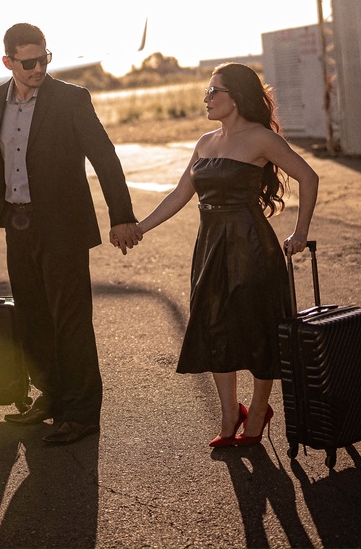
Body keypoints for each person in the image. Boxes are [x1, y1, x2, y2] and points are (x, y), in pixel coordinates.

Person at [0, 23, 141, 445]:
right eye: (29, 62)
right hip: (17, 226)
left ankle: (82, 413)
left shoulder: (71, 98)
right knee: (33, 319)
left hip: (63, 226)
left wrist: (122, 216)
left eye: (44, 58)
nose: (39, 68)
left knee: (71, 322)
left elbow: (104, 156)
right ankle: (51, 397)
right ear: (8, 62)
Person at [134, 62, 318, 448]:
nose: (206, 98)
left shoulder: (261, 139)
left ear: (235, 97)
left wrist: (300, 232)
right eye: (207, 91)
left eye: (213, 91)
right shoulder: (204, 142)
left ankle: (259, 411)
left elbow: (308, 176)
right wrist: (140, 228)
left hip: (252, 246)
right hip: (210, 246)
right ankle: (230, 413)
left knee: (258, 328)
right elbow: (179, 195)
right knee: (215, 326)